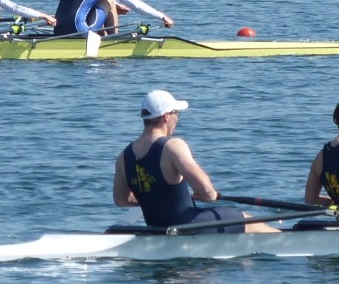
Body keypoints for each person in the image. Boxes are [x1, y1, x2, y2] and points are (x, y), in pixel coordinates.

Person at [113, 90, 277, 233]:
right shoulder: (173, 146)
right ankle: (287, 241)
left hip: (156, 227)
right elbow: (206, 190)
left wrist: (153, 199)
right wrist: (209, 195)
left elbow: (121, 200)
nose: (177, 118)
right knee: (247, 220)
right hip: (187, 226)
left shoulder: (123, 157)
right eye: (177, 113)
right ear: (166, 116)